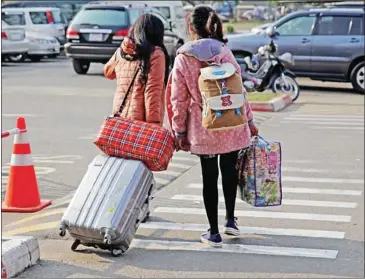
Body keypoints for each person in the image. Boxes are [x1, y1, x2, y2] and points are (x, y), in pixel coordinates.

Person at [166, 5, 259, 248]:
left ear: (191, 27)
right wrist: (249, 121)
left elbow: (179, 98)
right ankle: (230, 220)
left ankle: (214, 232)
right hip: (232, 121)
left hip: (204, 124)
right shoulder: (225, 52)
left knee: (210, 177)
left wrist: (180, 130)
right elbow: (241, 90)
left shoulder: (184, 57)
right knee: (229, 170)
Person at [104, 13, 169, 126]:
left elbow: (108, 72)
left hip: (120, 115)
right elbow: (152, 91)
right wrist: (154, 123)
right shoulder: (155, 54)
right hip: (141, 120)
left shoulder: (123, 50)